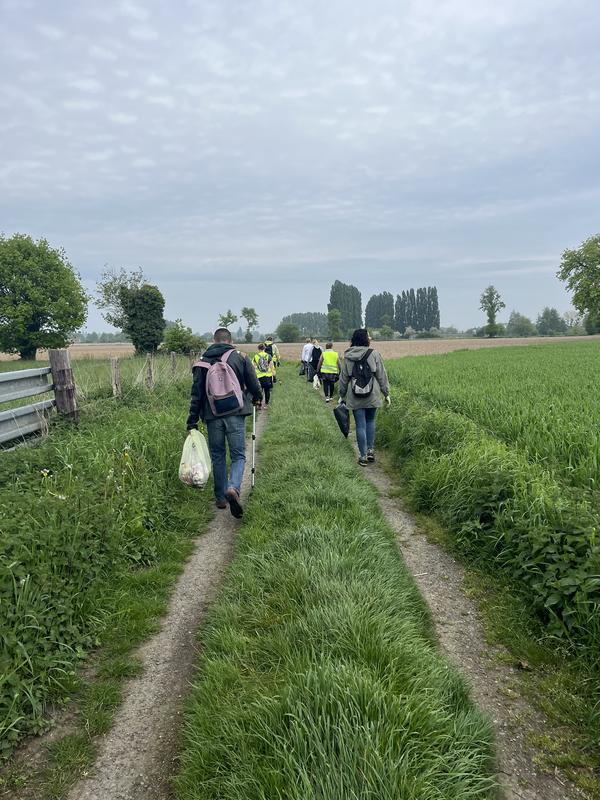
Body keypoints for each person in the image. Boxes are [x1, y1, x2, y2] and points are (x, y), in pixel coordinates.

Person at [186, 328, 262, 517]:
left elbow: (196, 395)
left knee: (218, 455)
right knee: (237, 455)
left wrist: (192, 420)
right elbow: (252, 382)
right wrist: (257, 398)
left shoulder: (202, 363)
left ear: (214, 340)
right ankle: (234, 488)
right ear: (230, 340)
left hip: (212, 416)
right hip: (235, 413)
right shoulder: (240, 357)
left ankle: (220, 498)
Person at [338, 328, 390, 466]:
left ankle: (362, 456)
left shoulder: (348, 355)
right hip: (372, 394)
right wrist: (386, 393)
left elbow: (343, 378)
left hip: (354, 395)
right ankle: (371, 450)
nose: (370, 338)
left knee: (360, 425)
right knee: (370, 422)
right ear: (364, 338)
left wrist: (341, 394)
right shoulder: (374, 354)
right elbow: (381, 376)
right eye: (369, 336)